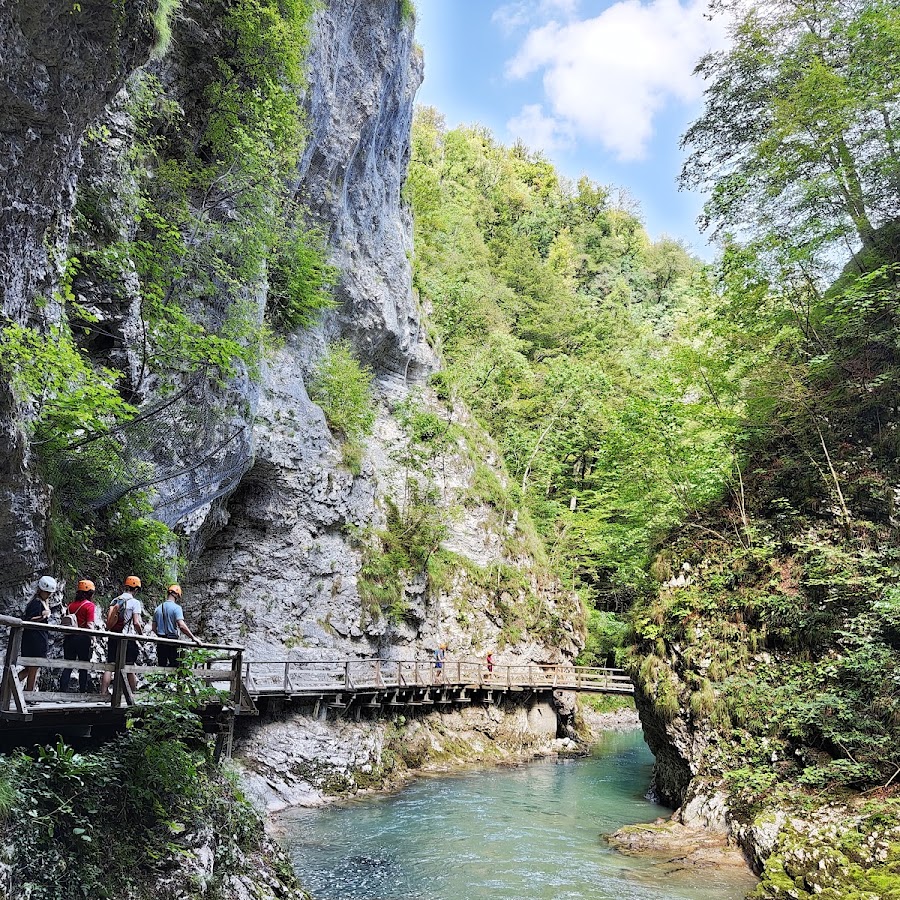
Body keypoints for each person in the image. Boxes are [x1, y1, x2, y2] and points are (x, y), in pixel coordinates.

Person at [100, 575, 144, 696]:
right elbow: (136, 622)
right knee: (129, 667)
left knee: (110, 666)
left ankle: (103, 694)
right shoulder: (135, 602)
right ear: (136, 589)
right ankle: (133, 695)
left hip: (114, 636)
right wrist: (141, 635)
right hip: (127, 638)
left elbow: (109, 619)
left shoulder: (115, 600)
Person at [19, 576, 55, 692]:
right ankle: (29, 694)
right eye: (47, 592)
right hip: (34, 639)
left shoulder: (41, 602)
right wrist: (42, 616)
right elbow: (28, 620)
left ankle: (5, 688)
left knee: (31, 668)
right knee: (32, 667)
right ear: (41, 590)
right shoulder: (36, 603)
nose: (48, 595)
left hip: (37, 638)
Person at [60, 580, 97, 693]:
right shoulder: (89, 606)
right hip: (83, 639)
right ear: (90, 593)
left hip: (69, 638)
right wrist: (94, 638)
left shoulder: (70, 605)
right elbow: (89, 624)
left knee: (68, 665)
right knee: (83, 666)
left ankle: (62, 692)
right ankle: (82, 692)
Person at [152, 584, 200, 667]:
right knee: (174, 667)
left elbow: (153, 628)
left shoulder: (158, 608)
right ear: (177, 595)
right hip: (172, 641)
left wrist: (161, 636)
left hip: (160, 641)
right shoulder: (177, 608)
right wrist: (193, 637)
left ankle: (161, 680)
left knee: (161, 666)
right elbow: (181, 625)